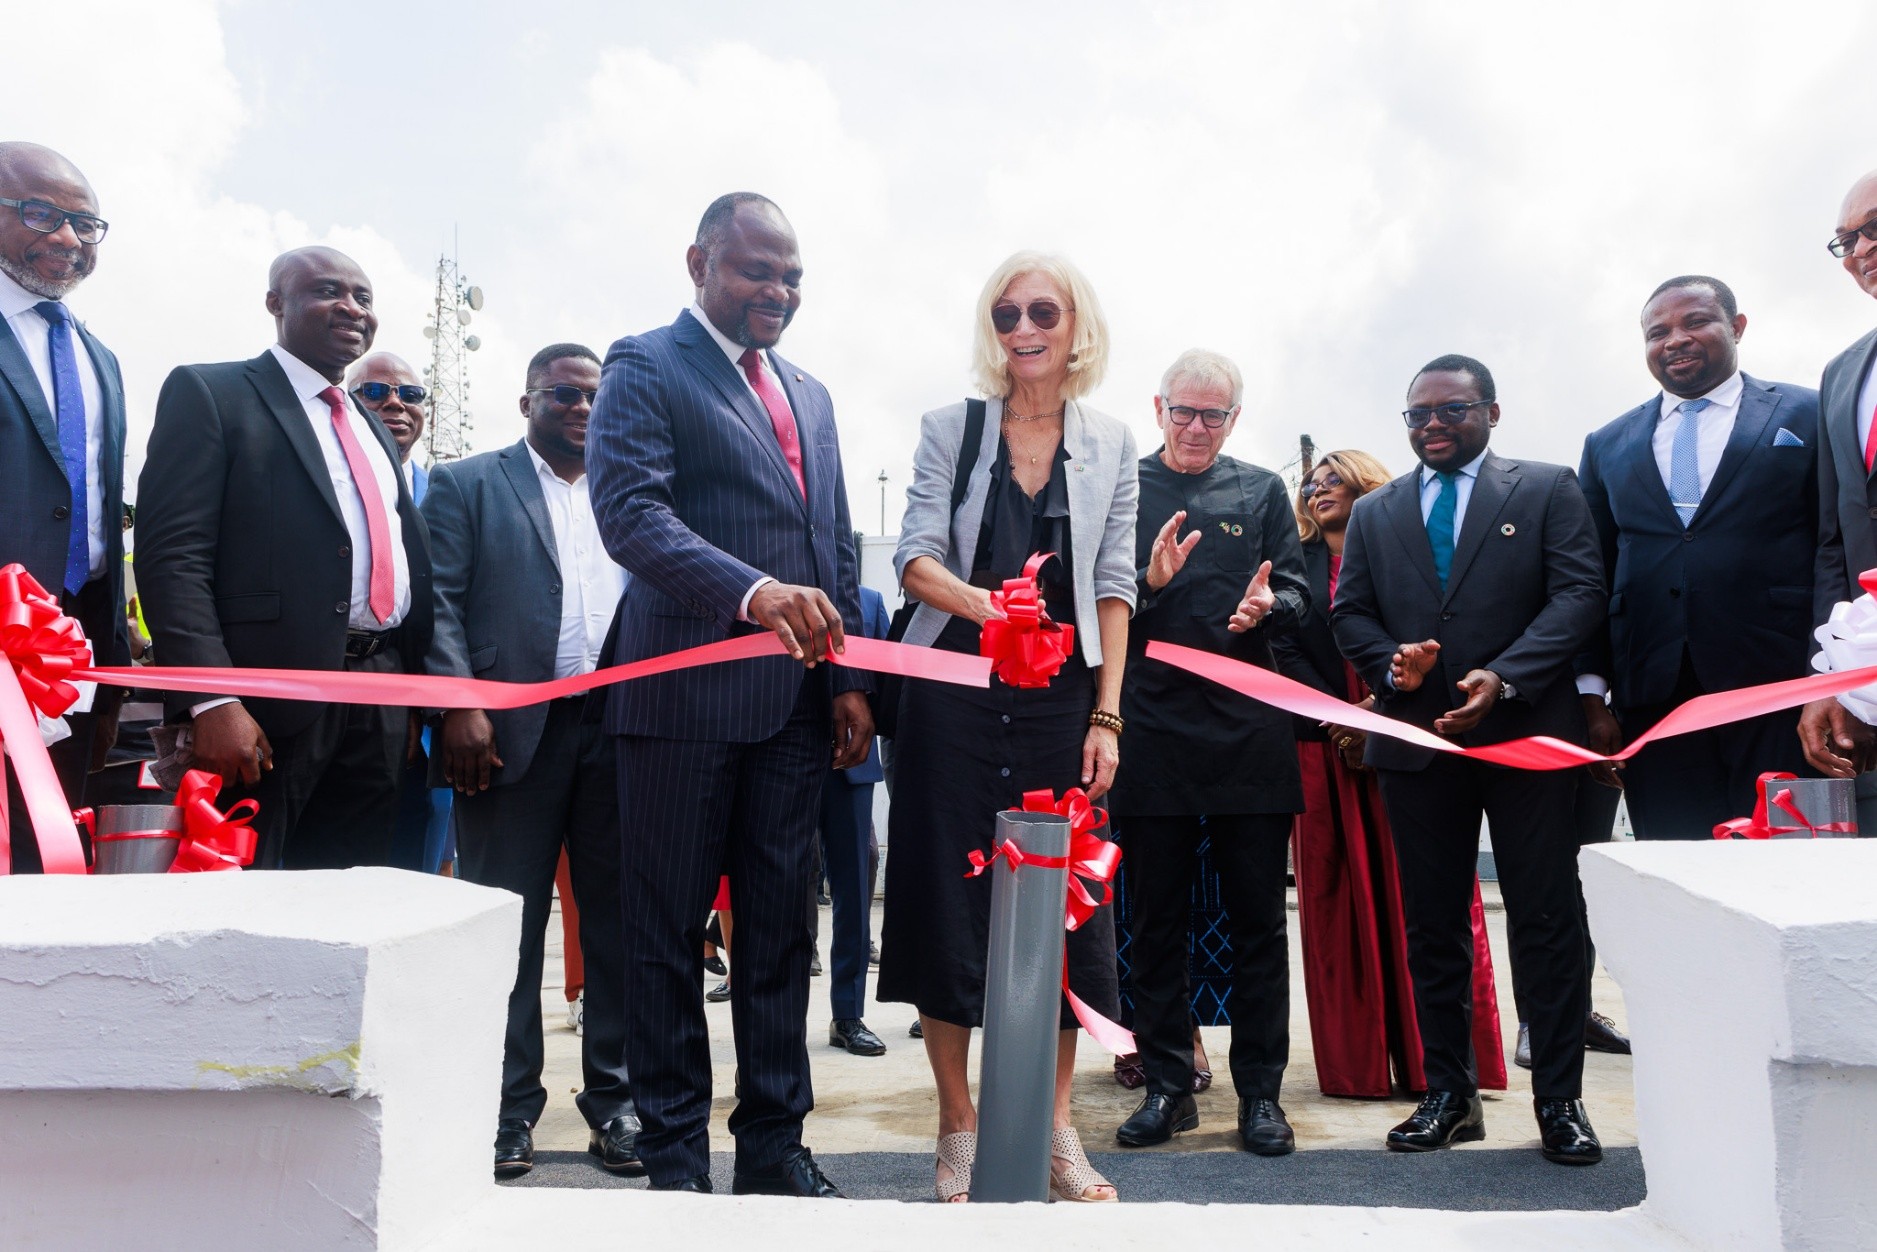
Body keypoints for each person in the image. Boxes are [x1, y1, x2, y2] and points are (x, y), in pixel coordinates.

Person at [586, 193, 871, 1198]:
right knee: (665, 935)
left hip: (794, 709)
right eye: (757, 271)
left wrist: (844, 682)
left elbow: (831, 544)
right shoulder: (643, 364)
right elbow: (631, 515)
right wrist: (753, 595)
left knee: (782, 934)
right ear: (699, 260)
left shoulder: (812, 392)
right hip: (678, 703)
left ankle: (772, 1149)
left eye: (791, 276)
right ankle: (673, 1161)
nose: (778, 292)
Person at [881, 250, 1137, 1203]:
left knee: (1065, 908)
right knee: (945, 904)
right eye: (1004, 314)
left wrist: (1106, 712)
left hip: (1060, 706)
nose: (1023, 329)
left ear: (1077, 326)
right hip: (949, 691)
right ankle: (956, 1127)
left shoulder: (1110, 442)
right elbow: (912, 557)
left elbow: (1113, 583)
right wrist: (995, 611)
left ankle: (1055, 1127)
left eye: (1042, 311)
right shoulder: (952, 427)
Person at [1331, 354, 1606, 1166]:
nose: (1431, 426)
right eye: (1416, 416)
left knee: (1546, 922)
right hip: (1418, 749)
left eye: (1450, 410)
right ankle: (1447, 1096)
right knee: (1432, 926)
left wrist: (1507, 677)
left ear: (1490, 411)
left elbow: (1579, 594)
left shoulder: (1549, 487)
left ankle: (1558, 1100)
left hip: (1526, 739)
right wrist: (1389, 665)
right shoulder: (1377, 512)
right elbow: (1350, 614)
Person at [137, 247, 432, 870]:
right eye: (329, 291)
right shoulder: (211, 392)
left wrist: (409, 698)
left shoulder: (373, 426)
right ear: (276, 302)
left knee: (346, 905)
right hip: (263, 705)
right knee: (249, 901)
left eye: (364, 297)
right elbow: (173, 558)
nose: (352, 308)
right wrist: (212, 701)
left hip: (378, 694)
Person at [421, 342, 635, 1180]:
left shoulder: (632, 495)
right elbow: (436, 598)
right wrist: (461, 705)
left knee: (616, 929)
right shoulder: (467, 484)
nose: (582, 409)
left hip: (617, 735)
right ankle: (506, 1111)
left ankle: (615, 1107)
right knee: (507, 933)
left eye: (596, 398)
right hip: (505, 739)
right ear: (527, 402)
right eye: (564, 394)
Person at [1105, 349, 1305, 1155]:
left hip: (1248, 736)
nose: (1195, 427)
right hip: (1149, 732)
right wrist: (1148, 586)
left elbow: (1297, 594)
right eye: (1182, 412)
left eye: (1212, 415)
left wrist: (1269, 605)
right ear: (1157, 409)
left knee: (1259, 923)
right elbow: (1101, 603)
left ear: (1233, 419)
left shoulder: (1260, 490)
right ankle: (1165, 1085)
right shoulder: (1125, 487)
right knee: (1153, 923)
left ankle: (1259, 1095)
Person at [1272, 450, 1511, 1099]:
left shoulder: (1415, 548)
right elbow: (1282, 646)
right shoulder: (1294, 562)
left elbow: (1443, 631)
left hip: (1411, 732)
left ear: (1366, 485)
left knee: (1428, 897)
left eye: (1334, 479)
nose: (1318, 489)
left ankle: (1445, 1068)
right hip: (1322, 747)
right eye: (1311, 483)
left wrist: (1377, 711)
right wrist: (1336, 719)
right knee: (1334, 901)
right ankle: (1357, 1067)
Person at [1579, 275, 1819, 840]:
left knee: (1794, 863)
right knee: (1676, 872)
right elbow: (1592, 574)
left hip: (1782, 692)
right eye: (1656, 332)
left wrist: (1833, 682)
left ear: (1736, 327)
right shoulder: (1606, 443)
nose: (1674, 340)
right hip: (1655, 697)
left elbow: (1835, 543)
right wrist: (1592, 695)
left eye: (1695, 323)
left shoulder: (1809, 413)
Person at [0, 142, 129, 868]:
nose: (67, 240)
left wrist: (107, 668)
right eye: (40, 213)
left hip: (76, 655)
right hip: (1, 643)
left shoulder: (99, 356)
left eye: (86, 225)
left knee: (46, 862)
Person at [349, 350, 454, 875]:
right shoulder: (326, 479)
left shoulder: (450, 493)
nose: (395, 403)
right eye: (375, 391)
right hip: (328, 693)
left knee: (415, 863)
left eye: (410, 395)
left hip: (429, 713)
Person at [1803, 169, 1877, 820]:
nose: (1858, 251)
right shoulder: (1840, 375)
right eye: (1844, 240)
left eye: (1873, 228)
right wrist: (1829, 680)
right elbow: (1834, 543)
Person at [824, 582, 890, 1057]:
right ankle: (774, 1017)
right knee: (779, 895)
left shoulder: (867, 603)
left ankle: (848, 1015)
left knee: (853, 892)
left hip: (852, 766)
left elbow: (889, 677)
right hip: (779, 762)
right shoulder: (775, 590)